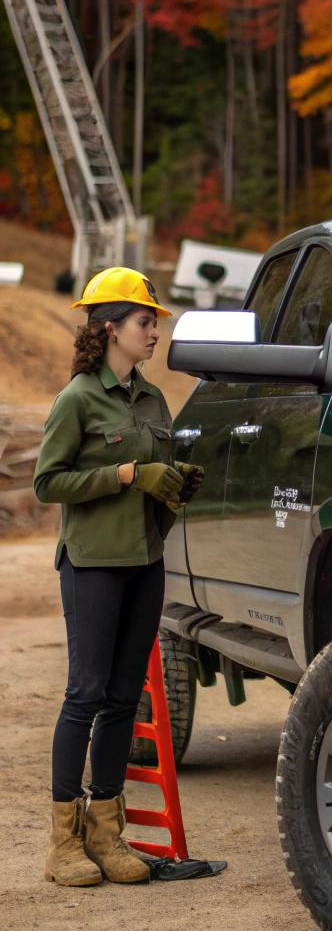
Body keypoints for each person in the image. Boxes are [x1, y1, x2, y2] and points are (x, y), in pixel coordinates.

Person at [33, 267, 203, 888]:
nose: (155, 331)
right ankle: (63, 843)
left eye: (154, 320)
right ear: (109, 329)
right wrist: (129, 475)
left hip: (143, 563)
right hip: (93, 565)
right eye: (144, 321)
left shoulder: (155, 401)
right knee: (86, 694)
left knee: (123, 702)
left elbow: (153, 477)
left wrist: (173, 485)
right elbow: (48, 482)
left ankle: (108, 836)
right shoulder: (78, 398)